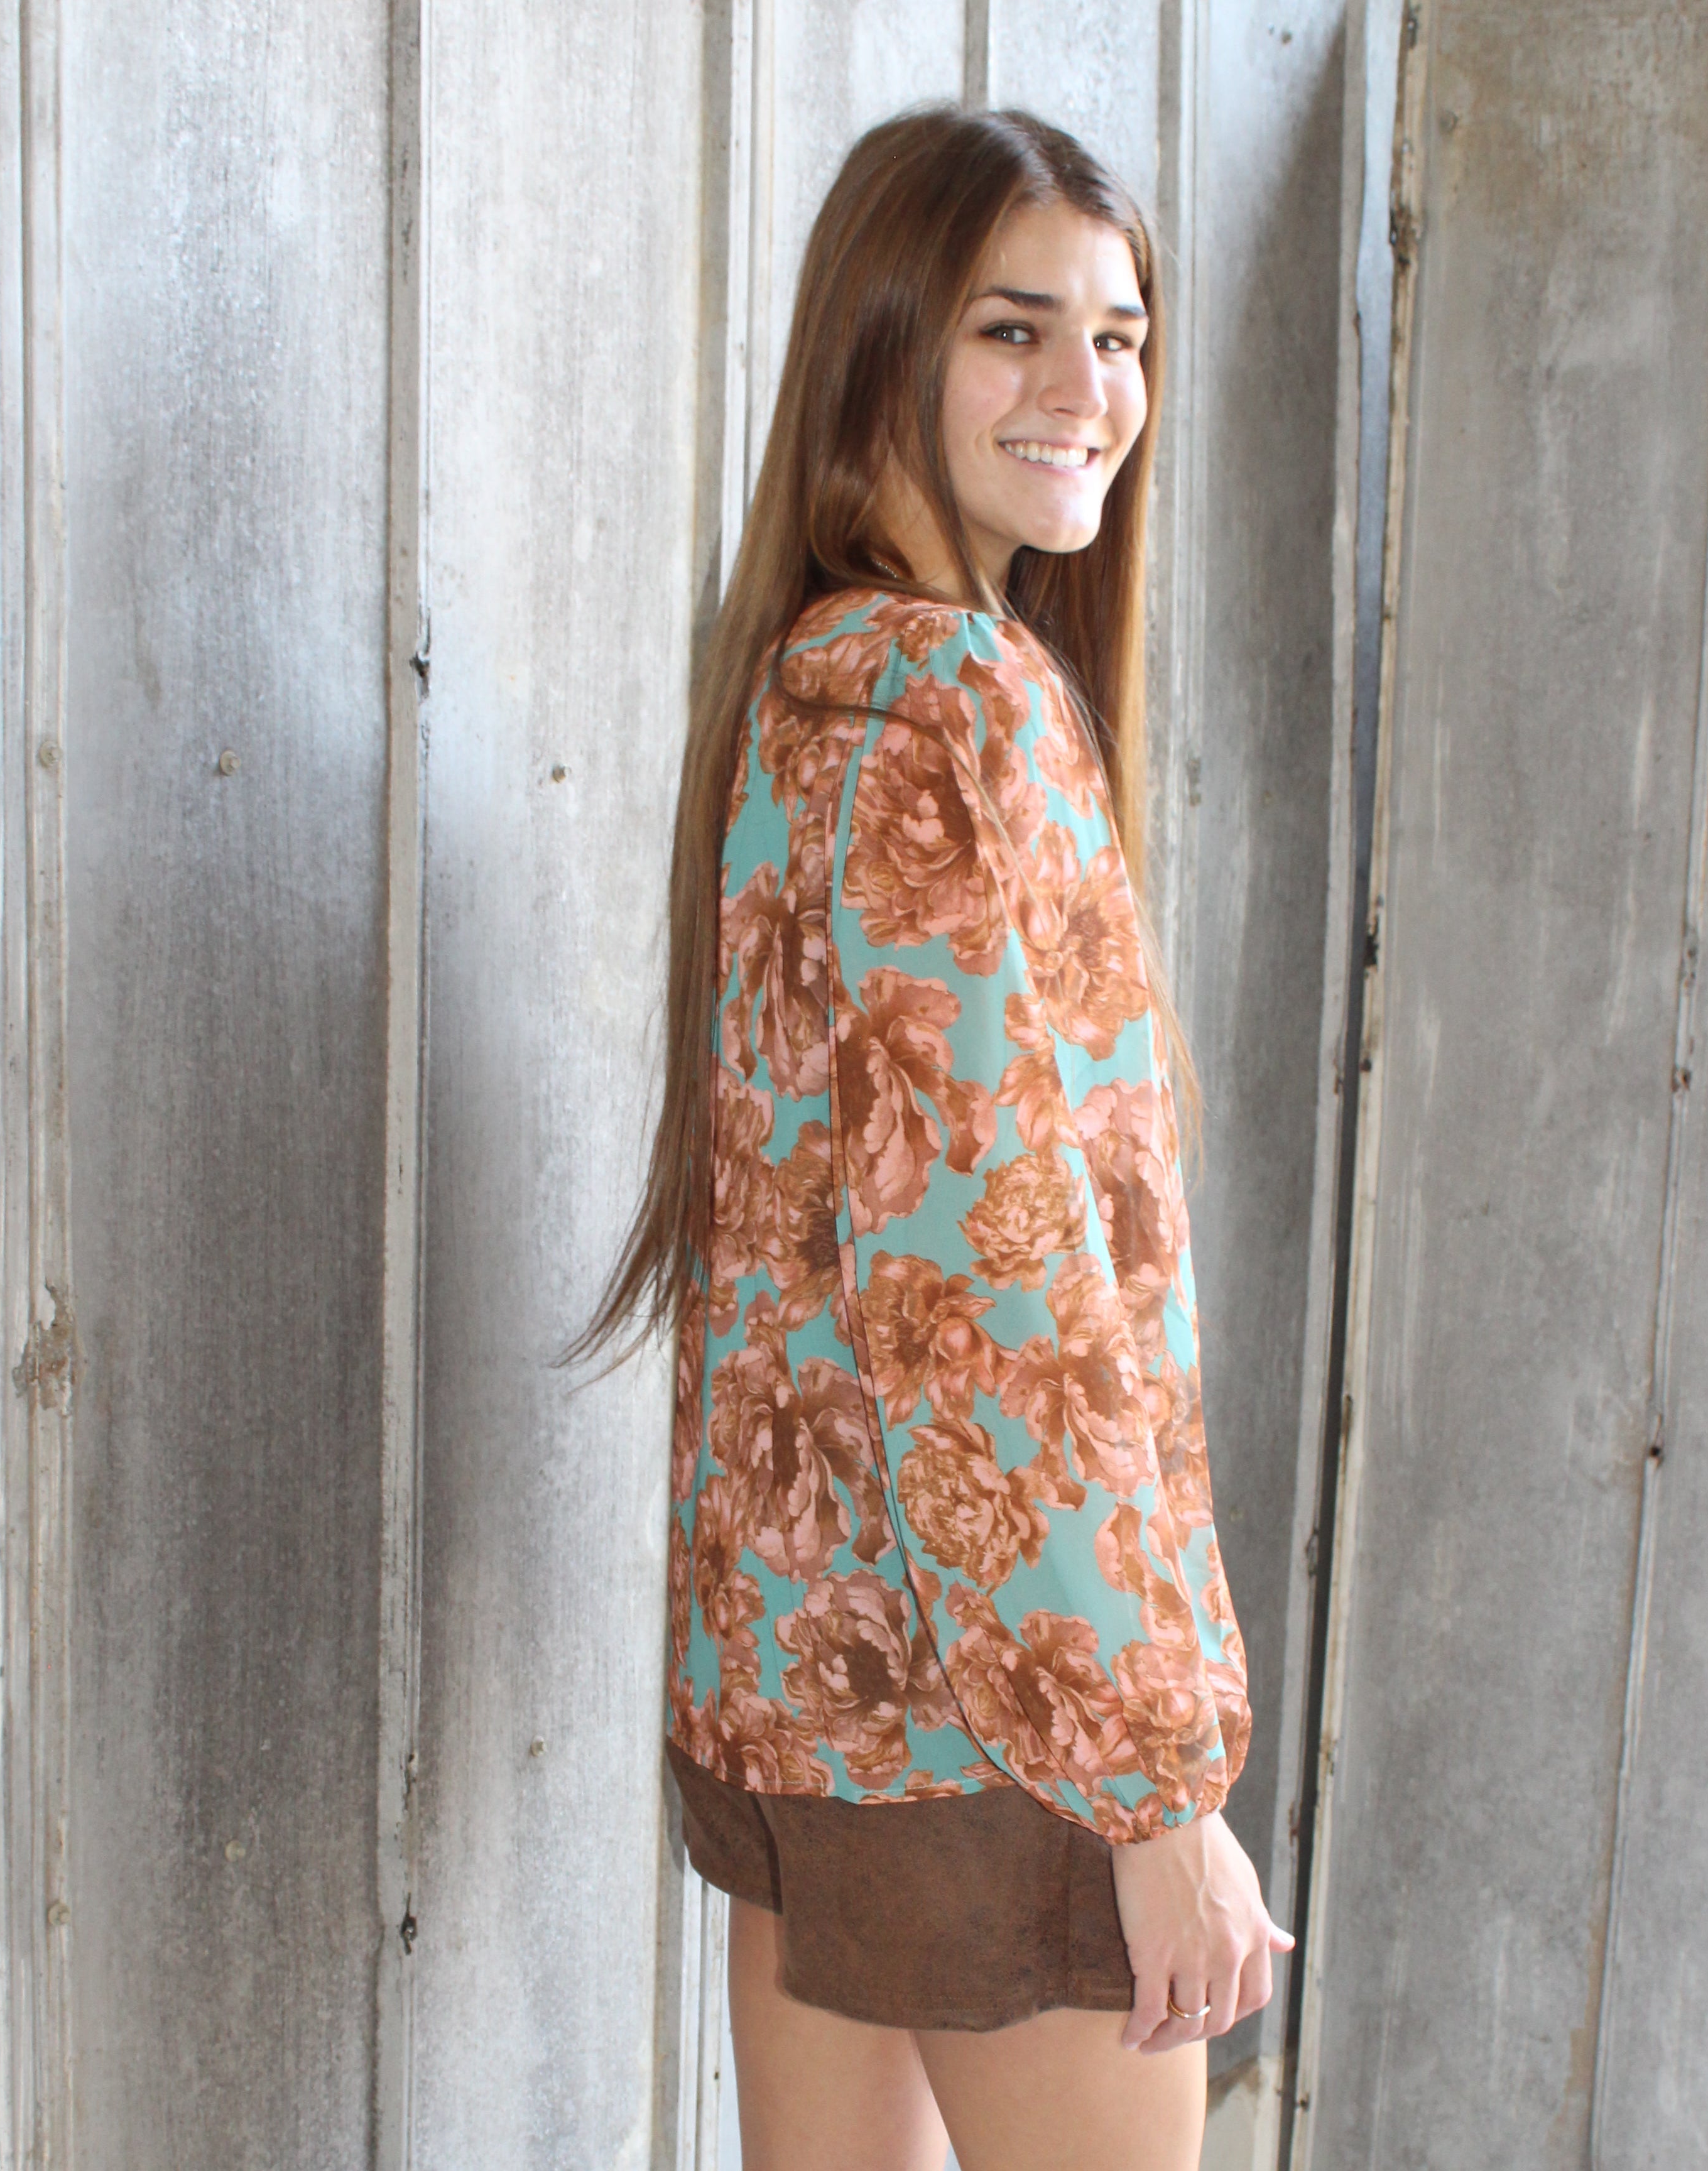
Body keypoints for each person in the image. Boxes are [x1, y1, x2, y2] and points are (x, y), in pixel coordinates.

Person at [579, 105, 1290, 2171]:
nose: (1091, 394)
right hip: (1002, 1720)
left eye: (1124, 334)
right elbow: (993, 1277)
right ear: (884, 340)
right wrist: (1151, 1791)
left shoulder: (806, 688)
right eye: (1014, 330)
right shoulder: (951, 703)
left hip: (819, 1697)